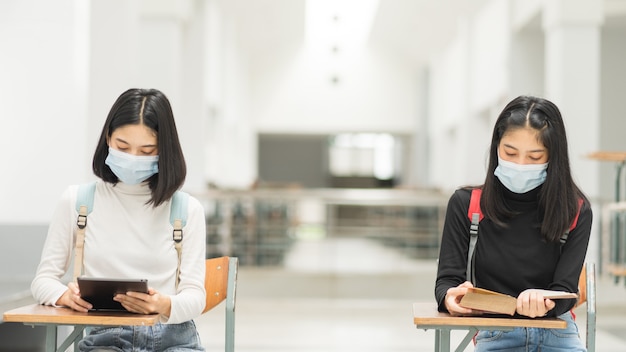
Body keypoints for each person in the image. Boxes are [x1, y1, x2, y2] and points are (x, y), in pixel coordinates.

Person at [31, 88, 207, 351]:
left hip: (174, 337)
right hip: (106, 337)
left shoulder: (186, 209)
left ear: (164, 151)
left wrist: (164, 305)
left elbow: (196, 296)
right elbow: (42, 281)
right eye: (122, 147)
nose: (133, 159)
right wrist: (64, 296)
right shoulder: (77, 202)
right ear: (107, 139)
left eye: (147, 151)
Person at [434, 95, 592, 351]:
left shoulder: (575, 210)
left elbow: (566, 290)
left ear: (554, 157)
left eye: (535, 156)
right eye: (510, 152)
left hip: (558, 333)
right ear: (497, 146)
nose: (520, 165)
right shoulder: (466, 204)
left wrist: (547, 302)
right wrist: (450, 298)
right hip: (495, 334)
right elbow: (446, 282)